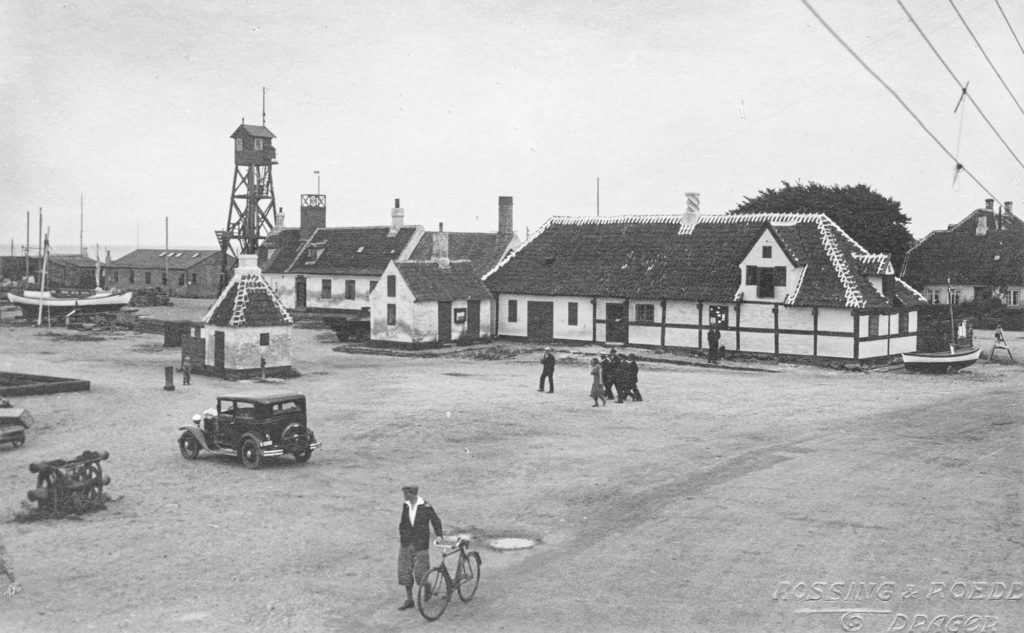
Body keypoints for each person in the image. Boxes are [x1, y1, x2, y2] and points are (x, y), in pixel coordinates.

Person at [397, 484, 443, 611]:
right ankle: (409, 600)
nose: (404, 496)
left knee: (420, 573)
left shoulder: (426, 506)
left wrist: (439, 536)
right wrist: (403, 536)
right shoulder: (406, 505)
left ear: (412, 493)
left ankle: (427, 586)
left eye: (406, 493)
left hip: (420, 545)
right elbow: (403, 523)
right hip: (406, 544)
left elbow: (436, 521)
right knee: (405, 572)